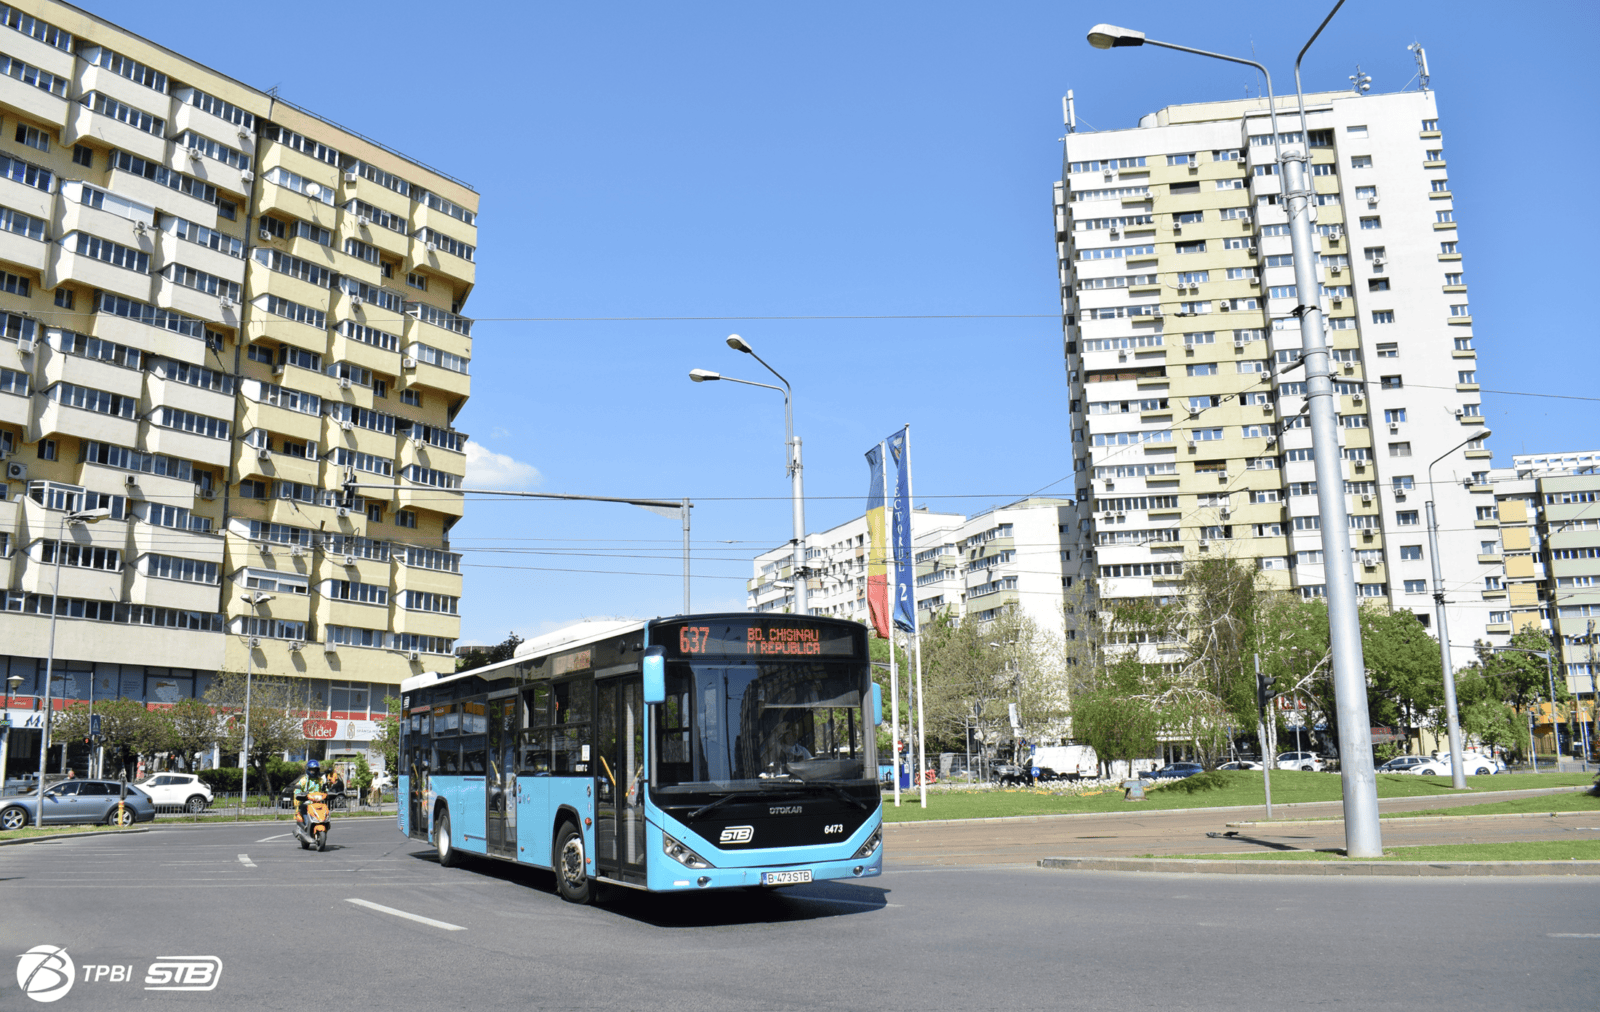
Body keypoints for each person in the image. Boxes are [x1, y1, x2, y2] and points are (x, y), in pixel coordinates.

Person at [291, 760, 328, 824]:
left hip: (317, 802)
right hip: (306, 802)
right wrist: (298, 794)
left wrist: (328, 792)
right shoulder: (304, 779)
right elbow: (297, 789)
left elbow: (325, 789)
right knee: (303, 807)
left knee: (325, 809)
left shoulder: (320, 780)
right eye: (312, 770)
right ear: (308, 769)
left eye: (315, 770)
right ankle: (306, 823)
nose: (313, 772)